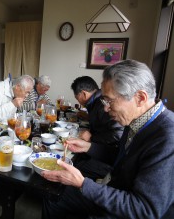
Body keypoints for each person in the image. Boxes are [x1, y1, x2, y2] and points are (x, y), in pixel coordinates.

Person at [41, 59, 174, 219]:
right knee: (54, 193)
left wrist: (83, 184)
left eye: (110, 100)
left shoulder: (167, 137)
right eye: (104, 101)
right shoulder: (137, 120)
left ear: (140, 98)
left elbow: (145, 210)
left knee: (57, 194)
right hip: (113, 186)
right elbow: (122, 158)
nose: (105, 108)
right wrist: (88, 147)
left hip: (126, 208)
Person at [70, 76, 124, 179]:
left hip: (109, 157)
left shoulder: (101, 104)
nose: (107, 107)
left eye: (77, 98)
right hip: (104, 151)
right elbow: (104, 123)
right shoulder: (95, 102)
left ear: (84, 94)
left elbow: (118, 134)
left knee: (73, 164)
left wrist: (92, 138)